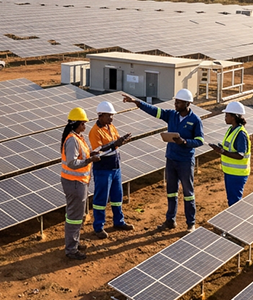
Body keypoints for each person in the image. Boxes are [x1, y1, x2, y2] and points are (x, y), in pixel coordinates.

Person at [123, 89, 204, 233]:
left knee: (188, 193)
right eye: (175, 101)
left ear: (187, 103)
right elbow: (154, 111)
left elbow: (200, 140)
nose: (175, 104)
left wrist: (185, 142)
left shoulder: (195, 120)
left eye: (179, 102)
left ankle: (191, 223)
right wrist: (137, 102)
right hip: (171, 159)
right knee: (171, 192)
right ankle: (170, 220)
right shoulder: (171, 115)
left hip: (185, 161)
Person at [88, 100, 134, 239]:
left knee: (117, 197)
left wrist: (122, 140)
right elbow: (98, 150)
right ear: (101, 115)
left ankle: (119, 221)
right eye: (108, 115)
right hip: (103, 169)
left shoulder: (111, 127)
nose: (111, 118)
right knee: (101, 198)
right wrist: (115, 144)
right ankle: (98, 227)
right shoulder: (95, 131)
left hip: (115, 167)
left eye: (112, 115)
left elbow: (116, 141)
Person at [61, 107, 100, 260]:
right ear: (76, 124)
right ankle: (71, 249)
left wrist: (91, 154)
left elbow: (81, 155)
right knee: (74, 217)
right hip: (74, 183)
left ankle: (74, 243)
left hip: (79, 182)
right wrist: (90, 160)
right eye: (83, 123)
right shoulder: (72, 140)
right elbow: (72, 163)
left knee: (78, 215)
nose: (85, 126)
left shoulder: (78, 137)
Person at [210, 101, 250, 205]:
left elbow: (240, 155)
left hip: (237, 174)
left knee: (234, 202)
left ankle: (237, 216)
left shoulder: (240, 134)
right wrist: (221, 148)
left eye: (227, 115)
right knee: (232, 200)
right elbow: (230, 148)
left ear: (234, 117)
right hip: (230, 172)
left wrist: (222, 151)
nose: (225, 118)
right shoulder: (231, 130)